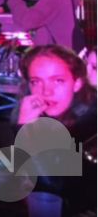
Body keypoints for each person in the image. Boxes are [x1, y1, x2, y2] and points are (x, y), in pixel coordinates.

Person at [14, 45, 96, 216]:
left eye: (58, 80)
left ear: (77, 83)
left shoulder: (90, 123)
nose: (46, 91)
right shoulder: (33, 114)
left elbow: (53, 191)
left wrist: (26, 130)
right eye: (36, 81)